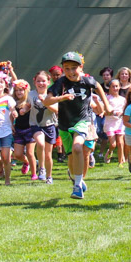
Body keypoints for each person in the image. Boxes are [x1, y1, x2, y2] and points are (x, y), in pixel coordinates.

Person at [44, 52, 110, 199]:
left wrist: (106, 106)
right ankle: (76, 178)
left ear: (81, 67)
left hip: (82, 121)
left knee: (78, 147)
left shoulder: (87, 81)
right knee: (71, 157)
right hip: (64, 124)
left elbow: (98, 85)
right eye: (66, 68)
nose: (70, 72)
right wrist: (63, 97)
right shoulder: (60, 83)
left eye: (74, 68)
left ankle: (77, 186)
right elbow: (47, 101)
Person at [28, 71, 58, 184]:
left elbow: (56, 110)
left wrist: (45, 102)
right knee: (40, 144)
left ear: (48, 82)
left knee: (48, 154)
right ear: (34, 82)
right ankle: (41, 168)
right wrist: (23, 110)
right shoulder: (30, 94)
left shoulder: (52, 95)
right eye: (38, 81)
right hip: (35, 125)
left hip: (49, 125)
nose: (41, 83)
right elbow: (28, 105)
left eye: (43, 81)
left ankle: (49, 176)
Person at [10, 79, 38, 180]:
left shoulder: (29, 102)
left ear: (25, 91)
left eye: (21, 90)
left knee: (30, 153)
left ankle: (34, 173)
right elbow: (11, 115)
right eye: (17, 90)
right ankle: (27, 162)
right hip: (18, 130)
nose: (19, 92)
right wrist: (11, 125)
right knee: (17, 155)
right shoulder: (13, 102)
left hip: (30, 130)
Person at [103, 79, 127, 166]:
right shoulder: (107, 98)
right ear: (109, 87)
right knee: (113, 144)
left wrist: (122, 113)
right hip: (110, 124)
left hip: (120, 123)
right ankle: (110, 151)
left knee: (120, 143)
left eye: (116, 86)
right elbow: (103, 112)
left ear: (120, 87)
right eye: (113, 86)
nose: (115, 88)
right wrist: (112, 112)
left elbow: (125, 111)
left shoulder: (123, 99)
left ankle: (120, 162)